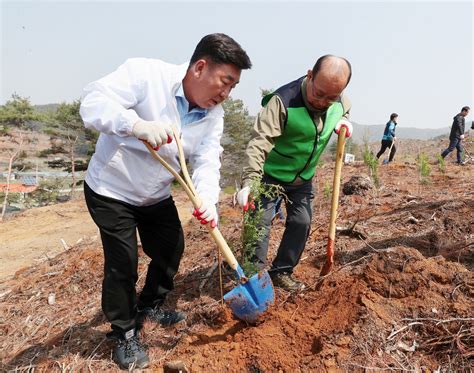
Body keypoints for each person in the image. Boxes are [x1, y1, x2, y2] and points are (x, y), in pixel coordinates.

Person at [80, 33, 251, 369]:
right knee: (123, 264)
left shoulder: (213, 114)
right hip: (112, 189)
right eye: (225, 82)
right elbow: (92, 102)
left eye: (233, 87)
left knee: (171, 248)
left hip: (154, 193)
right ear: (200, 67)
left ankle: (151, 306)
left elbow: (207, 159)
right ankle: (125, 333)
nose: (226, 94)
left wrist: (207, 200)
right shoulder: (146, 74)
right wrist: (135, 124)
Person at [236, 55, 353, 292]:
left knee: (302, 222)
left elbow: (344, 110)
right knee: (259, 223)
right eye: (318, 93)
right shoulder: (282, 102)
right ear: (310, 75)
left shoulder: (339, 100)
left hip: (302, 178)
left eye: (331, 98)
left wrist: (344, 120)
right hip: (269, 175)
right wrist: (250, 182)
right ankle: (252, 279)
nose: (322, 102)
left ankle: (281, 272)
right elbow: (259, 142)